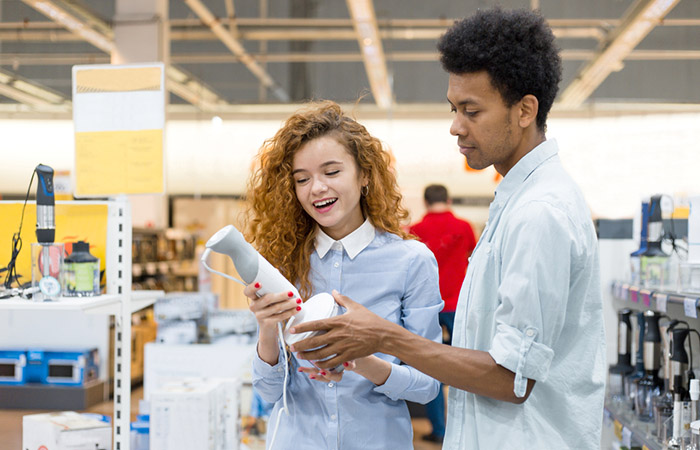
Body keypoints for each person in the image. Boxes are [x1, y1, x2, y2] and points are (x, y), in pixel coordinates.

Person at [289, 8, 606, 450]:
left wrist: (384, 336)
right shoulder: (514, 201)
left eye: (472, 111)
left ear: (524, 110)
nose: (456, 126)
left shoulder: (540, 212)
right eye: (454, 108)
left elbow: (512, 379)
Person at [242, 100, 443, 449]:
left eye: (331, 172)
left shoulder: (412, 261)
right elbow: (268, 391)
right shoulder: (283, 262)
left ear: (365, 175)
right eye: (302, 179)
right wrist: (266, 328)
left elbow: (428, 386)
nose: (316, 188)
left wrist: (361, 361)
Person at [408, 184, 476, 443]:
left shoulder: (415, 231)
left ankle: (439, 430)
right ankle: (465, 431)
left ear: (425, 203)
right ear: (448, 200)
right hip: (459, 304)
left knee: (432, 367)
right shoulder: (464, 227)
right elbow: (473, 256)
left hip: (427, 306)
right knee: (466, 365)